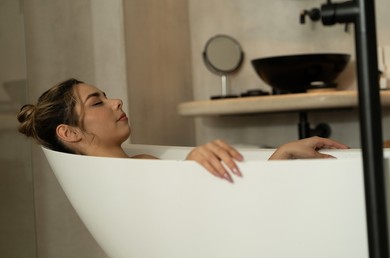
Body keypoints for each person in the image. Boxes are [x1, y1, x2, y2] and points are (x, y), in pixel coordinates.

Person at [17, 78, 349, 183]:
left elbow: (239, 214)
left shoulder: (141, 163)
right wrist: (189, 168)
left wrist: (282, 153)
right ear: (70, 133)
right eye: (97, 102)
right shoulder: (116, 178)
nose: (116, 101)